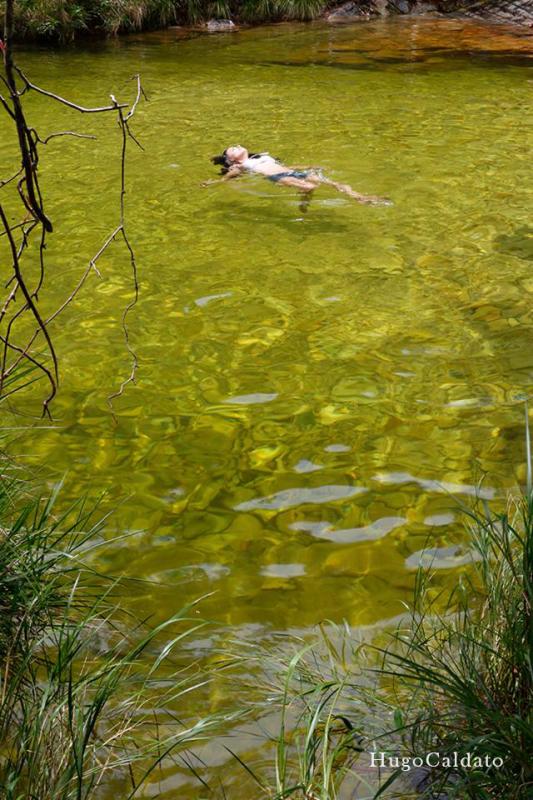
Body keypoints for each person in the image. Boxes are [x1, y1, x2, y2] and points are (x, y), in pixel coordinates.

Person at [202, 145, 391, 207]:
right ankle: (305, 198)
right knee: (311, 186)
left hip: (289, 172)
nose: (236, 146)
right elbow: (227, 178)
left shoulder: (262, 157)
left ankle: (360, 197)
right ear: (231, 161)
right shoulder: (242, 166)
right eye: (231, 149)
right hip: (277, 178)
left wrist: (307, 166)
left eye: (236, 144)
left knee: (330, 181)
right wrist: (212, 183)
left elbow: (287, 166)